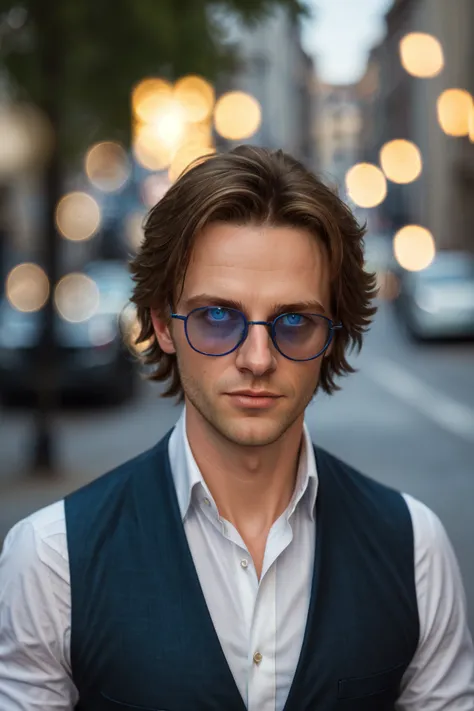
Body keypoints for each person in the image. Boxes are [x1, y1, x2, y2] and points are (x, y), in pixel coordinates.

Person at [0, 145, 473, 711]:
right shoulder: (51, 557)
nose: (256, 358)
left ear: (333, 336)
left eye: (293, 321)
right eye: (217, 317)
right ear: (163, 324)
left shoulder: (415, 548)